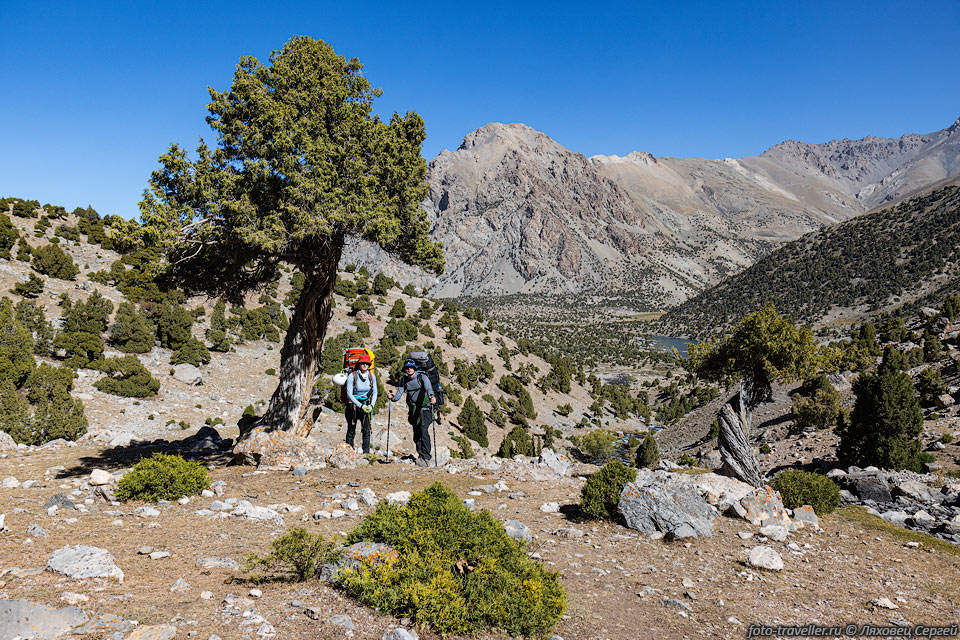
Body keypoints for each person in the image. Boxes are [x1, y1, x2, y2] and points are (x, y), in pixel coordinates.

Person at [391, 359, 436, 466]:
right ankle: (420, 454)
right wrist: (392, 398)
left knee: (423, 430)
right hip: (414, 409)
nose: (409, 369)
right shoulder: (404, 380)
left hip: (425, 408)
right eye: (407, 367)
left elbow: (429, 388)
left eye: (411, 367)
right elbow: (399, 394)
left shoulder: (422, 377)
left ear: (414, 368)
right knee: (416, 432)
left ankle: (426, 456)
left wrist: (431, 396)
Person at [345, 353, 377, 453]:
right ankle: (348, 452)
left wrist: (371, 405)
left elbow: (375, 392)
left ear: (369, 365)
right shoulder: (352, 376)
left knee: (366, 429)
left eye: (366, 363)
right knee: (351, 429)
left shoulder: (372, 376)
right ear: (359, 364)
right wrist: (360, 405)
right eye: (362, 363)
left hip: (366, 404)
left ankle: (366, 453)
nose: (364, 365)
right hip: (353, 405)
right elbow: (349, 394)